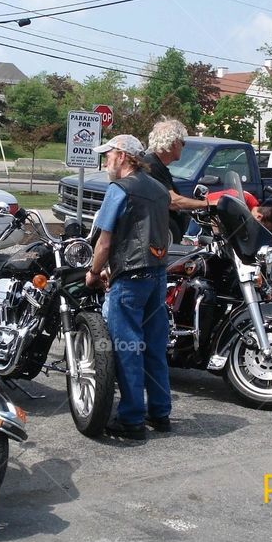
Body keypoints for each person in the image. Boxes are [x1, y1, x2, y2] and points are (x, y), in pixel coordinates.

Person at [86, 134, 171, 441]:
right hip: (158, 275)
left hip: (131, 277)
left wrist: (94, 272)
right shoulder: (159, 189)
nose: (105, 162)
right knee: (154, 346)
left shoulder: (119, 189)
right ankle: (160, 413)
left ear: (122, 156)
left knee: (127, 348)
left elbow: (104, 241)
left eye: (108, 155)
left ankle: (132, 418)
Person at [144, 119, 209, 242]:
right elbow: (173, 201)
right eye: (183, 143)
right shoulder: (152, 166)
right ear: (175, 143)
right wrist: (207, 204)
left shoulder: (157, 165)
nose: (183, 147)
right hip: (154, 239)